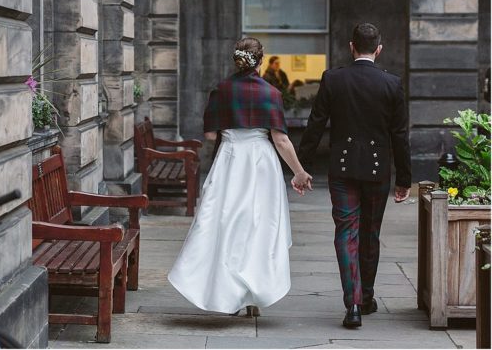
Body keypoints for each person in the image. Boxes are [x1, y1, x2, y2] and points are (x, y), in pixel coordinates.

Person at [168, 37, 312, 317]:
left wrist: (231, 130)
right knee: (259, 228)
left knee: (225, 226)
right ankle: (252, 297)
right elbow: (280, 140)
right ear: (261, 60)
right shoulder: (271, 93)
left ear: (236, 59)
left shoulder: (221, 90)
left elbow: (210, 135)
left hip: (230, 161)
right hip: (261, 163)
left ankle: (228, 295)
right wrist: (299, 172)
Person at [298, 22, 410, 329]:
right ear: (379, 48)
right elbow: (400, 135)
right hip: (377, 171)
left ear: (351, 47)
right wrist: (404, 179)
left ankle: (354, 305)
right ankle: (367, 295)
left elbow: (315, 125)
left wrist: (301, 167)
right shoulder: (392, 83)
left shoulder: (333, 79)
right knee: (370, 234)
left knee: (346, 234)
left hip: (342, 169)